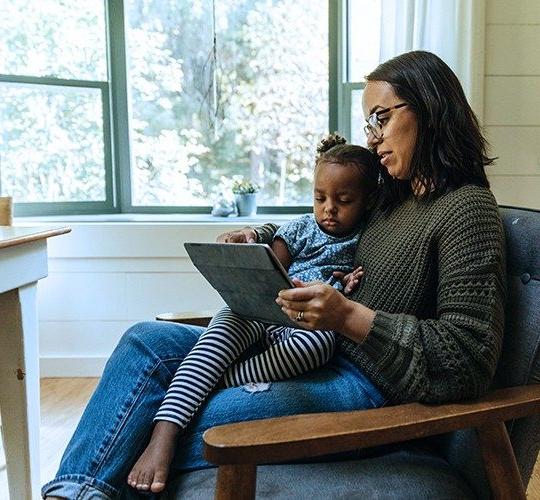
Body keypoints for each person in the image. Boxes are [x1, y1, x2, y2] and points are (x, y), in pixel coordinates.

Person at [42, 50, 505, 500]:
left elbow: (466, 360)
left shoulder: (467, 210)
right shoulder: (389, 197)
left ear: (428, 108)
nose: (371, 138)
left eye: (381, 118)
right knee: (144, 339)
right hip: (302, 344)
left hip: (365, 384)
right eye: (369, 123)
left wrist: (349, 316)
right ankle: (72, 494)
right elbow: (316, 224)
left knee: (162, 419)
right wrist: (259, 236)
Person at [126, 134, 379, 493]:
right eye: (319, 198)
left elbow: (357, 294)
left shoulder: (368, 238)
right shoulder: (301, 228)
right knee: (223, 326)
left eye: (344, 201)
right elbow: (268, 265)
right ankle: (164, 432)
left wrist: (351, 282)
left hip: (305, 325)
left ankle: (210, 384)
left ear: (367, 201)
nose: (329, 210)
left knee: (319, 345)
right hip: (263, 308)